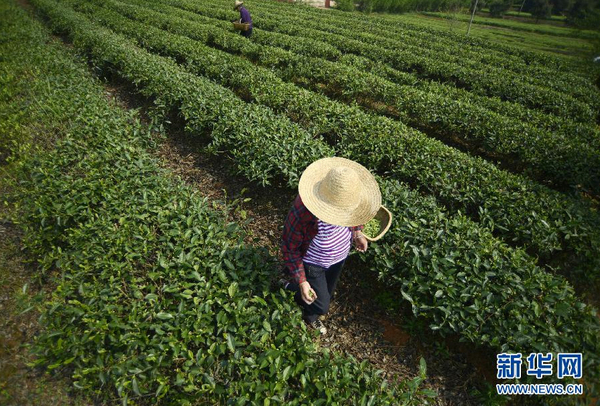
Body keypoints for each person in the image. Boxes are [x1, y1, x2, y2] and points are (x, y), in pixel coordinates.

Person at [280, 157, 381, 335]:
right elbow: (290, 248)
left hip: (339, 257)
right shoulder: (303, 211)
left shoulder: (351, 201)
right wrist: (302, 281)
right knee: (322, 304)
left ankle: (301, 301)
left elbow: (354, 217)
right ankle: (299, 297)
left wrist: (357, 233)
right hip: (314, 263)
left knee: (327, 290)